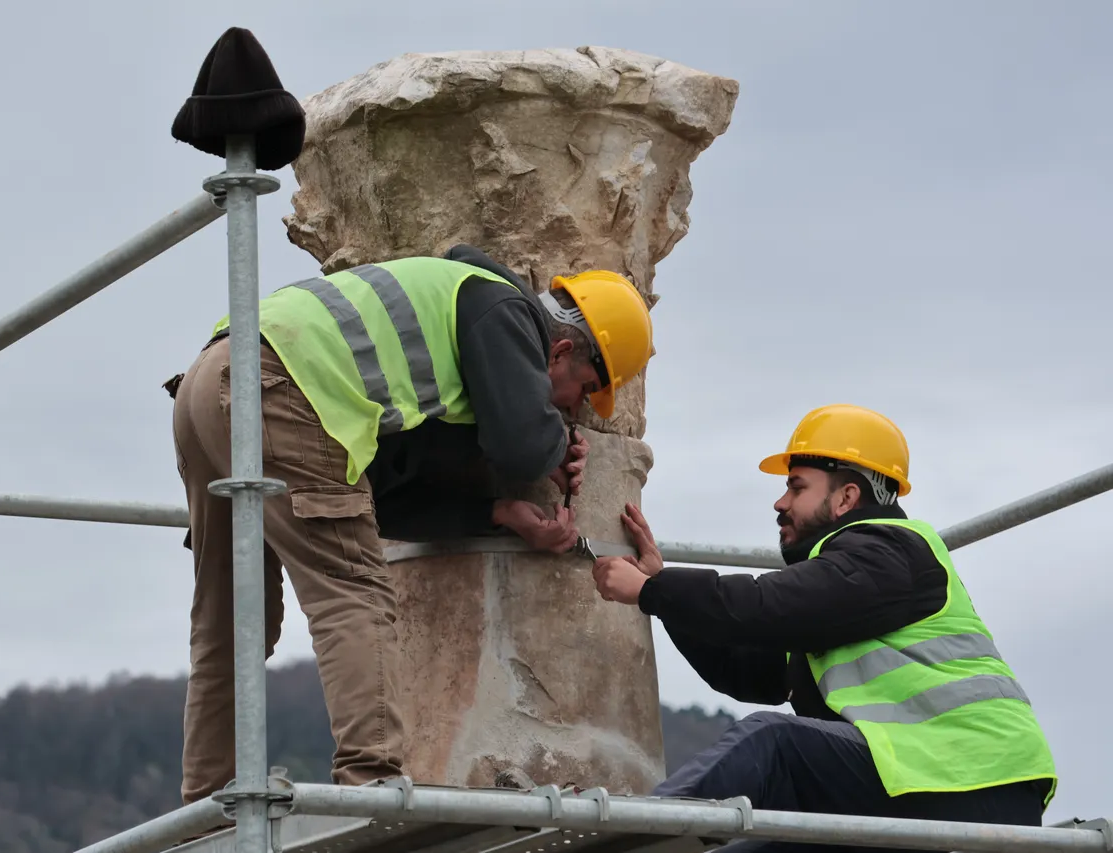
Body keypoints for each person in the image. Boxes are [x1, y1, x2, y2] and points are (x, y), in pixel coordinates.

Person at [167, 243, 654, 807]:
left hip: (212, 384)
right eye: (586, 391)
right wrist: (560, 444)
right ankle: (370, 785)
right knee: (355, 594)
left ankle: (205, 802)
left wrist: (496, 513)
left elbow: (380, 506)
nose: (576, 408)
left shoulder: (437, 358)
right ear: (560, 351)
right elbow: (522, 446)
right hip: (286, 383)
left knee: (234, 619)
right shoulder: (504, 310)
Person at [591, 403, 1058, 851]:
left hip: (973, 775)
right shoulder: (843, 596)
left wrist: (653, 590)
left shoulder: (889, 550)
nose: (780, 502)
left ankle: (624, 837)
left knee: (773, 744)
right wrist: (661, 594)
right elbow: (746, 668)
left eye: (796, 487)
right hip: (920, 780)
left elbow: (767, 605)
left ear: (846, 497)